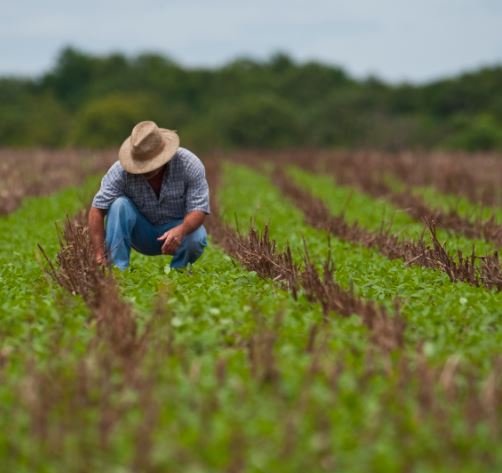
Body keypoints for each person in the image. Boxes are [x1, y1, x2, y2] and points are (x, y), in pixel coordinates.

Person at [88, 120, 210, 270]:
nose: (146, 169)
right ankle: (117, 271)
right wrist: (99, 254)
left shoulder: (189, 164)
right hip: (141, 233)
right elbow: (97, 210)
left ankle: (178, 272)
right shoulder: (120, 171)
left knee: (197, 236)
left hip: (176, 230)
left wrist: (181, 230)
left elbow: (199, 209)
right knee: (119, 205)